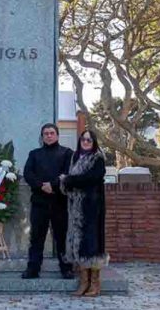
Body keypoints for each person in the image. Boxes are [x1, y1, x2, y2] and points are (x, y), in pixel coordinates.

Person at [21, 123, 73, 279]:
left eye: (51, 133)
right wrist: (41, 186)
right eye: (46, 133)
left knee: (62, 238)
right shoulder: (34, 154)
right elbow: (28, 173)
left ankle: (66, 268)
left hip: (60, 202)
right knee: (36, 237)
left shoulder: (67, 153)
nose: (49, 136)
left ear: (57, 135)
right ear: (42, 136)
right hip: (39, 202)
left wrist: (53, 185)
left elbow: (69, 173)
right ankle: (33, 269)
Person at [60, 129, 108, 297]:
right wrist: (67, 182)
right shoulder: (75, 157)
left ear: (94, 142)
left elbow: (92, 178)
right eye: (83, 139)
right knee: (78, 244)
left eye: (89, 140)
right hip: (75, 207)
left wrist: (68, 180)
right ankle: (83, 282)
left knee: (92, 244)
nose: (86, 142)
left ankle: (95, 284)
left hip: (91, 207)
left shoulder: (98, 158)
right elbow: (70, 182)